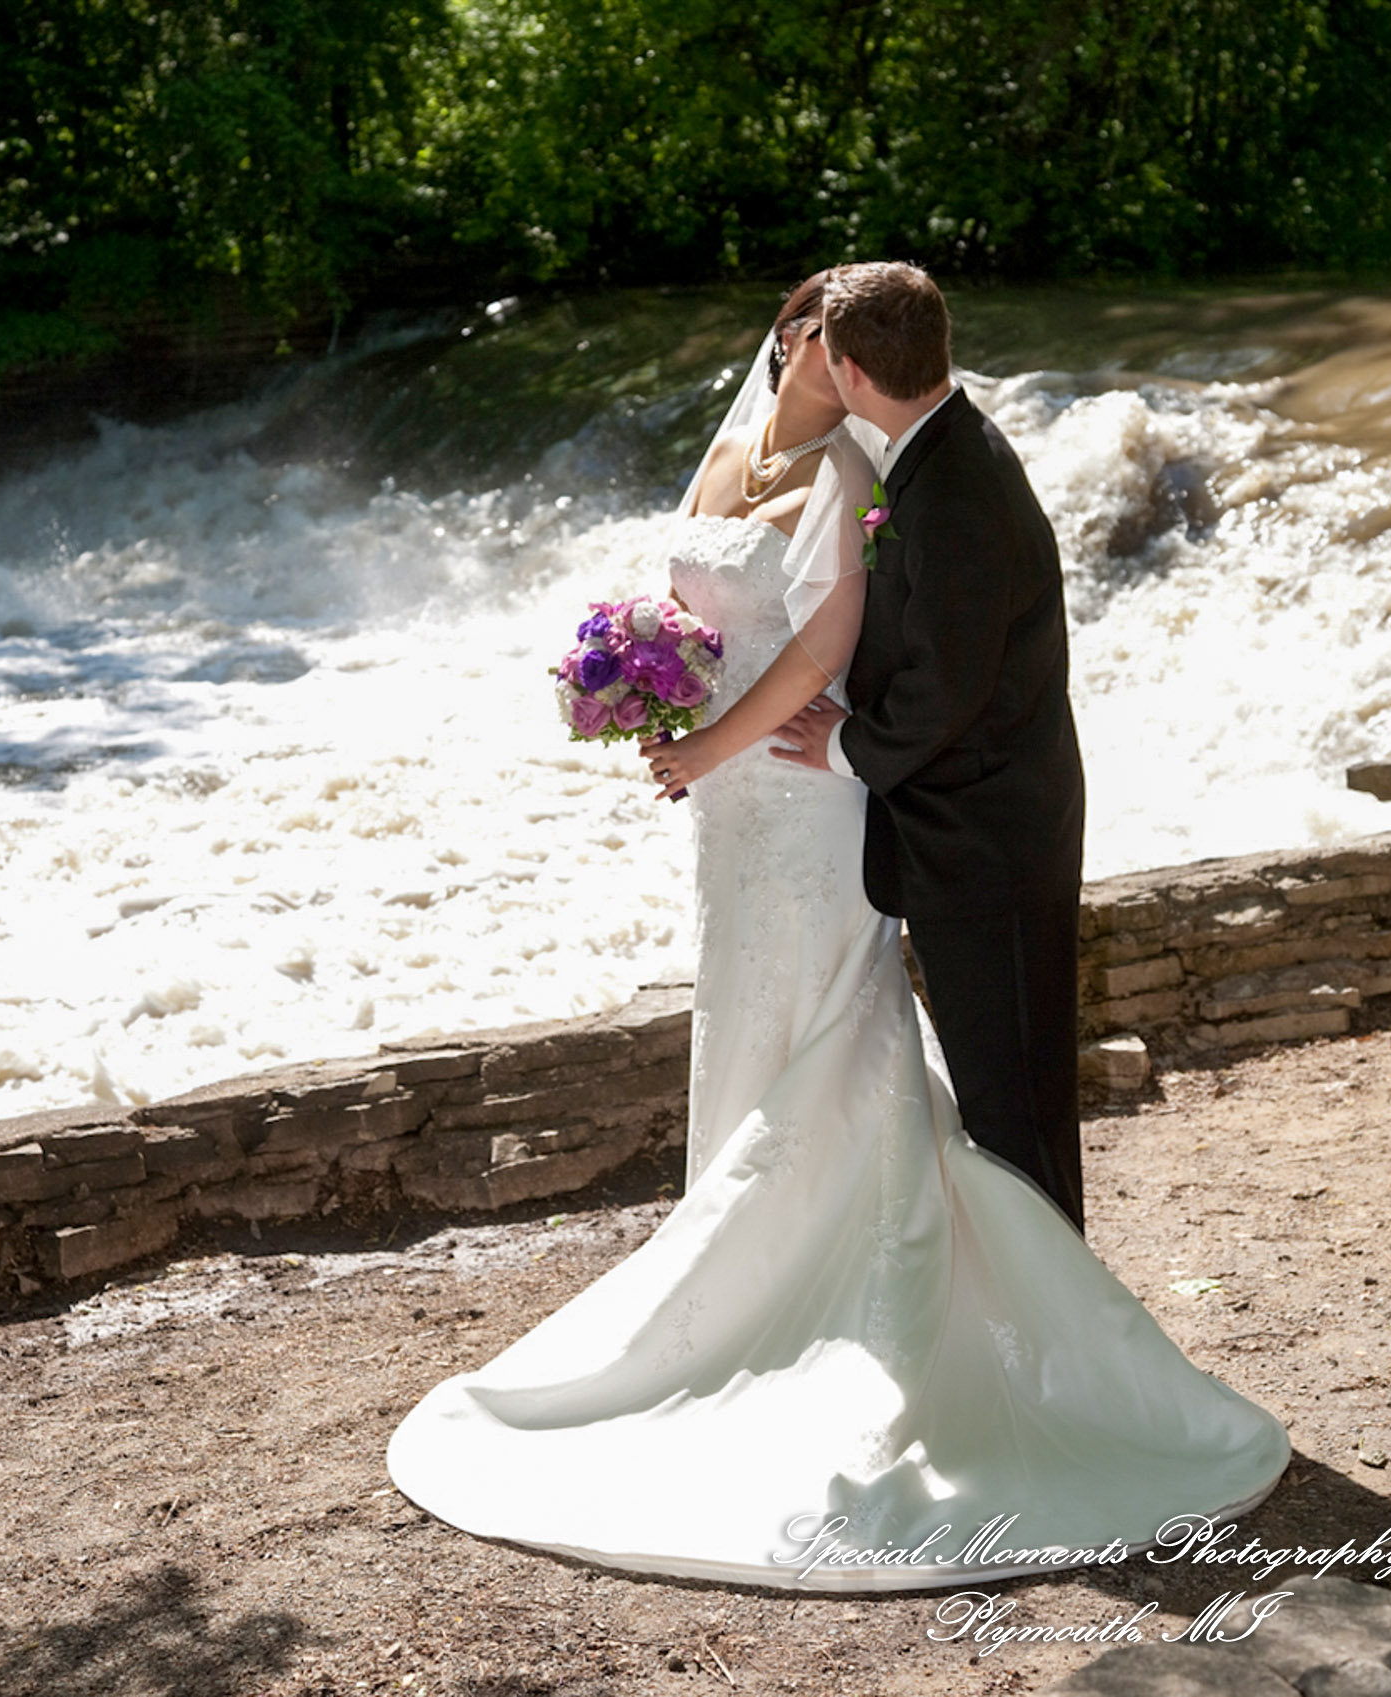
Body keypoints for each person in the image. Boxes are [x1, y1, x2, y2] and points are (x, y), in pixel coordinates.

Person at [385, 275, 1289, 1591]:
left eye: (812, 331)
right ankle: (816, 1283)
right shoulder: (856, 454)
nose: (789, 344)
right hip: (768, 799)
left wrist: (758, 739)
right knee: (892, 1058)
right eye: (786, 328)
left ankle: (1064, 1350)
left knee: (991, 1091)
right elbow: (770, 615)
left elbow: (892, 668)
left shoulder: (908, 475)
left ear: (844, 361)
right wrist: (651, 663)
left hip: (889, 806)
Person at [774, 261, 1085, 1232]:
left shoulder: (953, 484)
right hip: (983, 831)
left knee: (1016, 1111)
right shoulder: (937, 448)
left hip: (990, 845)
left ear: (856, 369)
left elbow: (942, 689)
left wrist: (842, 745)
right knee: (1007, 1104)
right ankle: (1043, 1318)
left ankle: (1065, 1345)